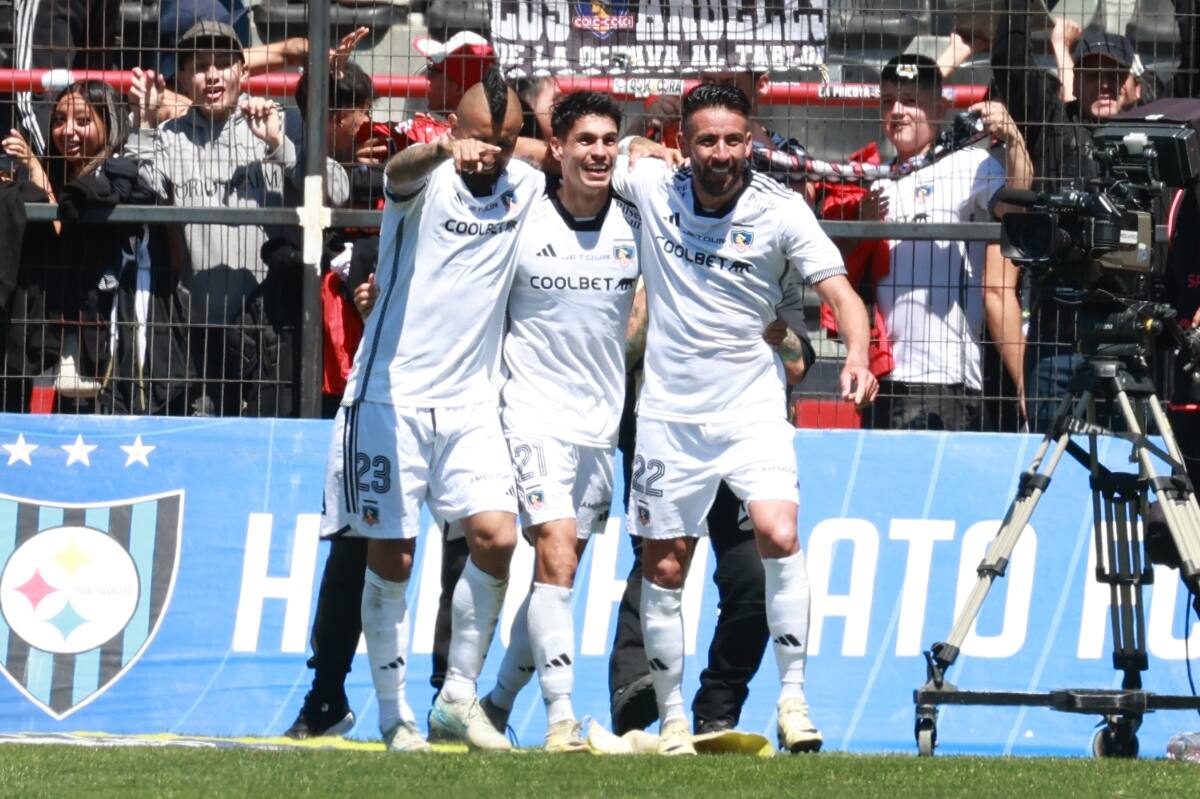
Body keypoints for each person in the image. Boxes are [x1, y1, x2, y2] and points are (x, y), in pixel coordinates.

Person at [611, 83, 878, 755]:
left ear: (752, 140)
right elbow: (573, 153)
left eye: (735, 139)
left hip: (753, 405)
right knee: (665, 567)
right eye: (708, 140)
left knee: (778, 533)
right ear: (683, 144)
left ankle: (793, 700)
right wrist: (630, 143)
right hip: (669, 412)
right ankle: (672, 717)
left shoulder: (780, 209)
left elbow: (841, 291)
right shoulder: (651, 184)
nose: (723, 153)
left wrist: (859, 356)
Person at [319, 68, 541, 753]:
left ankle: (456, 696)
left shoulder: (526, 187)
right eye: (480, 137)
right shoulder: (423, 180)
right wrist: (446, 147)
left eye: (504, 141)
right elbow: (398, 168)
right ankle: (393, 716)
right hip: (390, 396)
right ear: (457, 128)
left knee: (498, 539)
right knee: (395, 555)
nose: (490, 153)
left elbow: (566, 166)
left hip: (474, 400)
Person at [461, 91, 638, 753]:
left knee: (556, 579)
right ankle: (562, 719)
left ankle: (497, 702)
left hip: (601, 427)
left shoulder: (637, 222)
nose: (598, 152)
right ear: (557, 149)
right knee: (556, 552)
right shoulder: (523, 215)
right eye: (584, 140)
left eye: (608, 141)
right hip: (530, 414)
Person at [126, 20, 297, 415]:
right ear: (183, 78)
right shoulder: (168, 136)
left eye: (223, 63)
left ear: (244, 71)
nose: (213, 74)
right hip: (199, 334)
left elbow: (336, 189)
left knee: (262, 444)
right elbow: (140, 191)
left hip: (268, 327)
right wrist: (146, 123)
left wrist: (278, 146)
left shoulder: (275, 121)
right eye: (201, 65)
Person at [853, 54, 1030, 432]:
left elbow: (1017, 206)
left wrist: (1013, 139)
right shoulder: (877, 181)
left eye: (911, 100)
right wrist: (861, 229)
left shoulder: (969, 164)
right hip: (880, 377)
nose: (897, 112)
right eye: (887, 101)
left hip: (944, 378)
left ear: (941, 106)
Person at [0, 80, 192, 414]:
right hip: (77, 345)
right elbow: (57, 229)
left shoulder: (120, 178)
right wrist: (33, 166)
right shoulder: (71, 183)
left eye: (83, 120)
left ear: (109, 123)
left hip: (121, 340)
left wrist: (33, 167)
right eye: (59, 120)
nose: (68, 131)